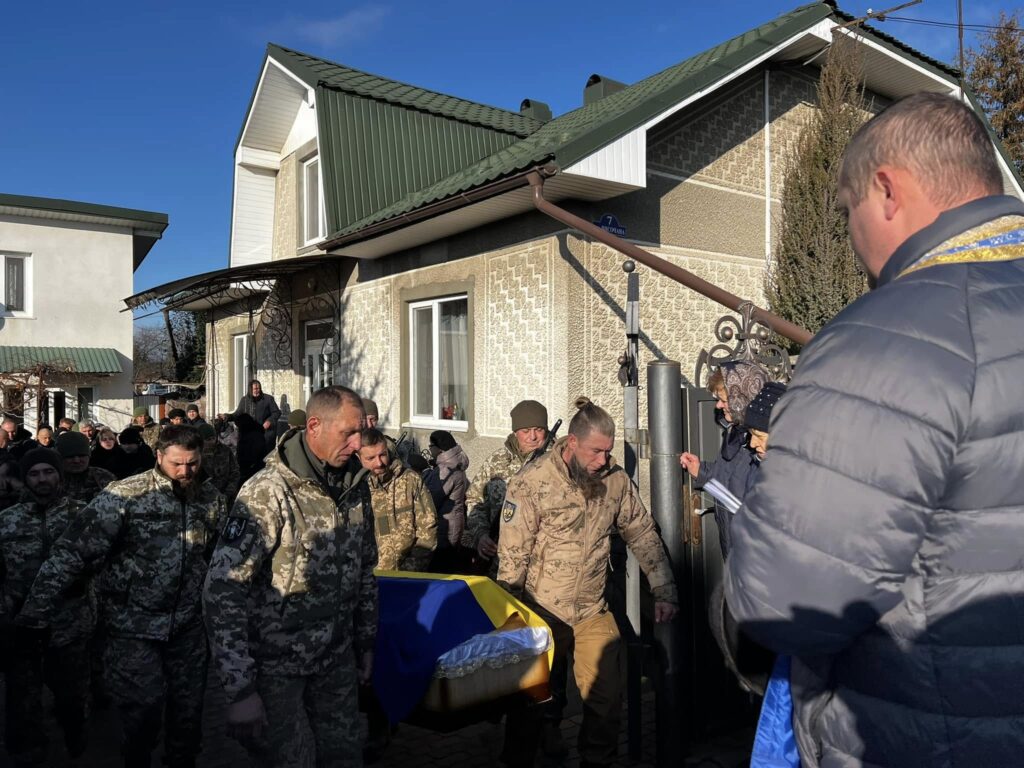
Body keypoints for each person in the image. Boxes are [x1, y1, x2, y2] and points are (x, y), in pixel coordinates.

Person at [724, 92, 1024, 767]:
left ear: (887, 190)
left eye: (846, 209)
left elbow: (786, 595)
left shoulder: (885, 338)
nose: (851, 239)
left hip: (921, 736)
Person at [16, 425, 224, 767]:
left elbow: (220, 557)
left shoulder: (210, 499)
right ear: (159, 457)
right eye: (177, 464)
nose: (185, 472)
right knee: (142, 712)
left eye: (193, 463)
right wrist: (33, 614)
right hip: (133, 626)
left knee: (188, 715)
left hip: (187, 627)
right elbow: (71, 553)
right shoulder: (125, 496)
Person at [499, 397, 679, 768]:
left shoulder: (615, 482)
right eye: (596, 451)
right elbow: (513, 557)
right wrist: (509, 622)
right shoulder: (531, 483)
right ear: (571, 443)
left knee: (606, 700)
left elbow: (642, 534)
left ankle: (596, 762)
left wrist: (663, 589)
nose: (603, 460)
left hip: (592, 611)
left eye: (608, 452)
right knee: (529, 704)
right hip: (541, 613)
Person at [204, 385, 377, 767]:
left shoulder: (353, 486)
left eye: (360, 431)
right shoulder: (268, 491)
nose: (357, 443)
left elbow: (365, 570)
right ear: (314, 425)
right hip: (276, 670)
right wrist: (239, 688)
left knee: (345, 756)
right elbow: (222, 590)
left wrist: (365, 642)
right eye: (347, 432)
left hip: (335, 661)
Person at [0, 448, 93, 764]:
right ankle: (30, 752)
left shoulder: (83, 515)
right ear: (26, 480)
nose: (43, 479)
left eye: (48, 472)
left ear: (60, 475)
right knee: (22, 701)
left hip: (69, 625)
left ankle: (75, 744)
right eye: (35, 474)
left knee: (71, 698)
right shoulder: (6, 521)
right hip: (21, 627)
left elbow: (102, 562)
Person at [680, 361, 768, 557]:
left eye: (724, 399)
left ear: (743, 398)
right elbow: (730, 483)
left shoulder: (762, 445)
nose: (719, 405)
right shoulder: (736, 434)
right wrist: (701, 471)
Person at [465, 400, 550, 576]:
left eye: (539, 430)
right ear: (515, 432)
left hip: (543, 566)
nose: (533, 437)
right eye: (526, 431)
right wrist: (480, 535)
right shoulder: (497, 461)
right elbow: (475, 499)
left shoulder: (557, 462)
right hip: (500, 562)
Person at [358, 427, 437, 572]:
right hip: (370, 580)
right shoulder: (356, 489)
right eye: (370, 458)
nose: (379, 463)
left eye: (382, 455)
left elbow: (428, 527)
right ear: (359, 458)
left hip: (407, 575)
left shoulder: (410, 480)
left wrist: (410, 570)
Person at [423, 430, 469, 572]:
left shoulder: (446, 470)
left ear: (439, 448)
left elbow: (431, 499)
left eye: (431, 446)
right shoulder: (454, 463)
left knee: (440, 568)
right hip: (454, 522)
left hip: (445, 527)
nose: (429, 449)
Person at [56, 431, 117, 505]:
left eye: (82, 456)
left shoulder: (104, 477)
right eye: (70, 457)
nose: (77, 461)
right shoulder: (51, 479)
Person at [227, 379, 281, 454]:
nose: (257, 390)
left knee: (265, 458)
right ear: (250, 389)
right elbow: (237, 414)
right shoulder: (244, 400)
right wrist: (226, 416)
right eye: (255, 389)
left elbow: (276, 412)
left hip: (265, 435)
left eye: (259, 388)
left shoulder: (268, 399)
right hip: (250, 436)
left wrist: (270, 421)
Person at [198, 423, 240, 503]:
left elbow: (235, 473)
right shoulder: (196, 454)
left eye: (213, 438)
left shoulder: (225, 451)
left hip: (226, 497)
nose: (211, 441)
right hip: (203, 499)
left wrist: (228, 493)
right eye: (207, 439)